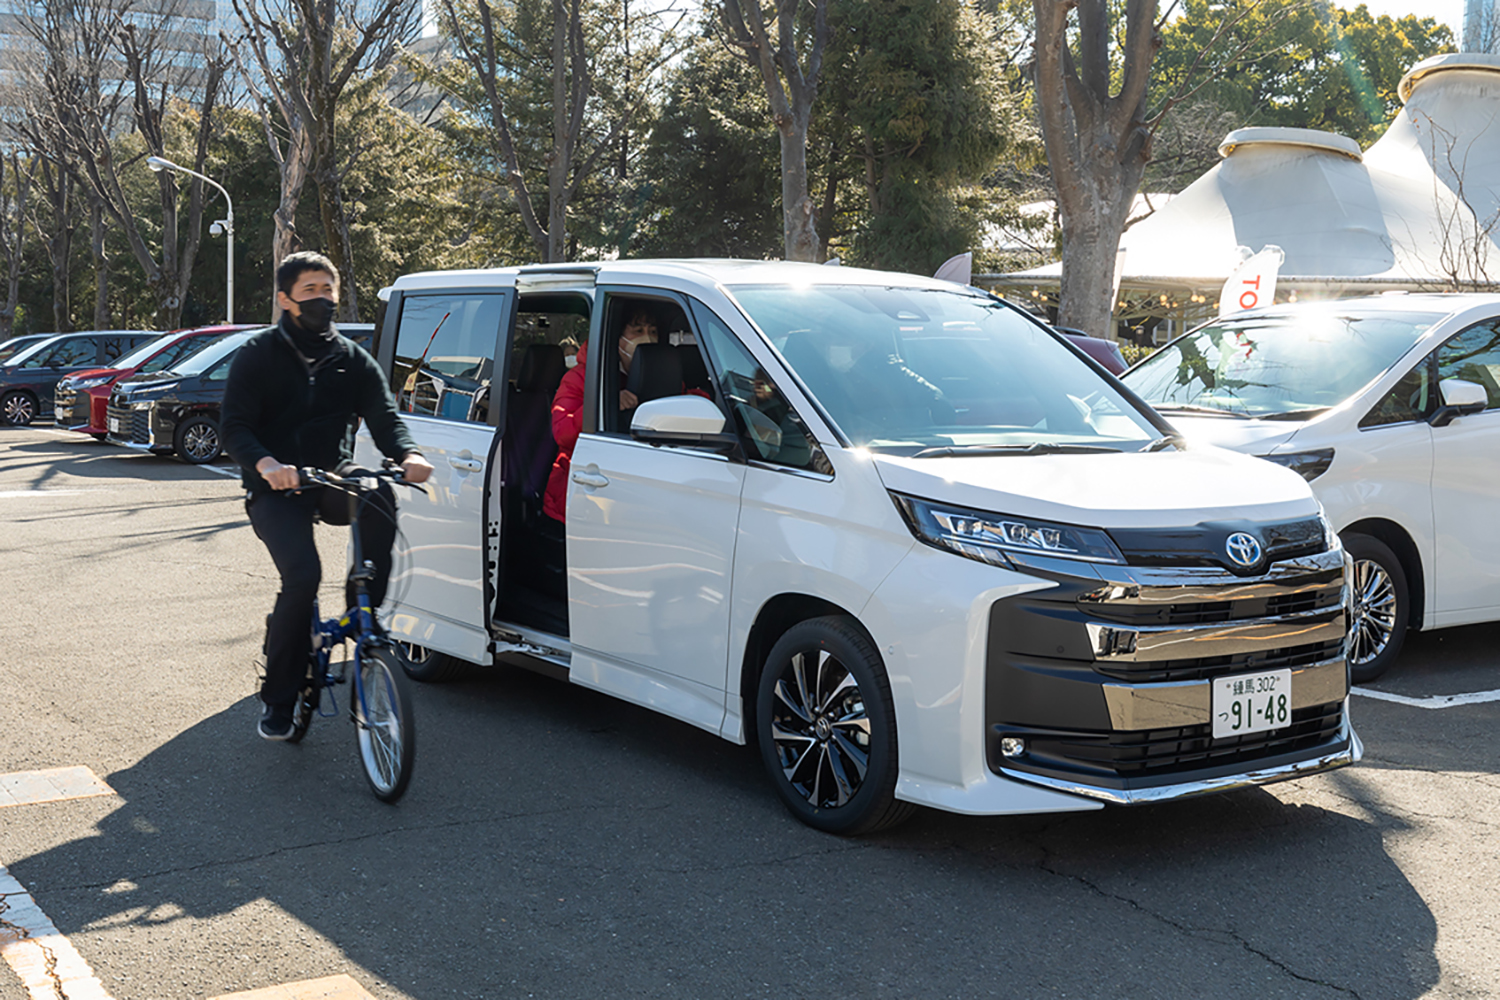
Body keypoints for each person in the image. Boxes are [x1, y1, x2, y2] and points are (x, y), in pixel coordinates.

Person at [222, 251, 435, 741]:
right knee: (303, 576)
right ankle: (279, 698)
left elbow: (384, 416)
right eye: (310, 291)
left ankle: (365, 610)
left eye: (327, 290)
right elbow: (233, 427)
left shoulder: (350, 358)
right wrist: (267, 464)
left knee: (379, 492)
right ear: (284, 300)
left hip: (330, 474)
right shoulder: (258, 355)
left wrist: (408, 454)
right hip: (274, 487)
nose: (322, 300)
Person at [543, 305, 660, 523]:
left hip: (637, 491)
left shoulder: (660, 375)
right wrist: (606, 402)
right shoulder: (581, 377)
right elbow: (562, 432)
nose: (648, 340)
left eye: (653, 332)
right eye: (638, 331)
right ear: (616, 339)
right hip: (579, 493)